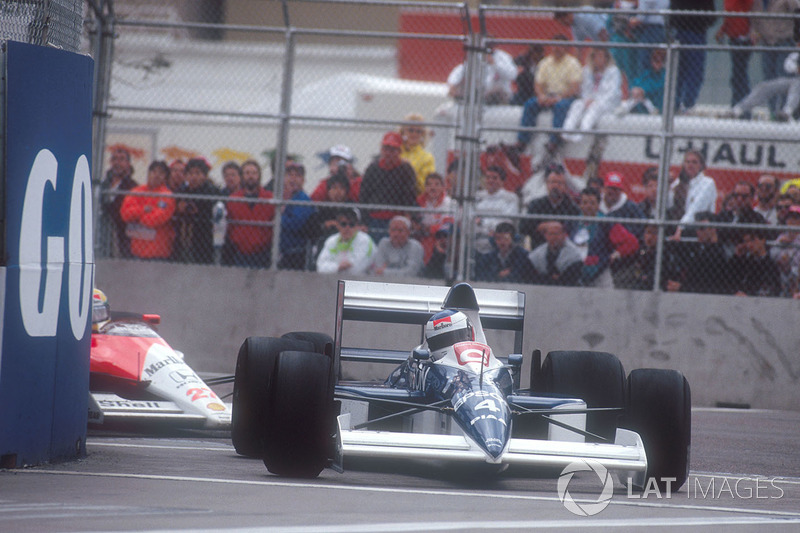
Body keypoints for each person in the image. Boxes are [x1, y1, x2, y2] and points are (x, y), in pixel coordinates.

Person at [515, 35, 582, 153]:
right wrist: (541, 96)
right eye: (555, 45)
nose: (556, 48)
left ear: (566, 48)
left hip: (565, 96)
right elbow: (538, 84)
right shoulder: (545, 63)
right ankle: (522, 140)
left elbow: (574, 88)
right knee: (530, 105)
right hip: (548, 95)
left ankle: (554, 142)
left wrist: (559, 97)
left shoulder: (573, 63)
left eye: (560, 46)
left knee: (560, 107)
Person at [358, 131, 418, 240]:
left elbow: (410, 196)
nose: (388, 153)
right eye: (386, 149)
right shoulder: (373, 168)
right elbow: (364, 195)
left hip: (397, 218)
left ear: (399, 151)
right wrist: (364, 221)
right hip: (375, 218)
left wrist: (408, 217)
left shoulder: (406, 169)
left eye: (392, 150)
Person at [561, 48, 623, 144]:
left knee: (594, 108)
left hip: (607, 102)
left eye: (600, 56)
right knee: (577, 104)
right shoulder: (587, 70)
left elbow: (612, 93)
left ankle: (582, 133)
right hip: (589, 100)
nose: (598, 59)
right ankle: (566, 131)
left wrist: (595, 100)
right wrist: (587, 100)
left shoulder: (613, 71)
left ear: (606, 58)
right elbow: (584, 89)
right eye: (595, 56)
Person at [750, 0, 800, 114]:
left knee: (783, 78)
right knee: (769, 78)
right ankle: (773, 112)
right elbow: (754, 21)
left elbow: (797, 13)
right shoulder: (758, 3)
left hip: (784, 42)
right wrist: (755, 33)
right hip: (767, 43)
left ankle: (784, 112)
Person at [119, 160, 176, 260]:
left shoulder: (167, 196)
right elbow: (125, 214)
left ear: (165, 178)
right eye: (154, 171)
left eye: (161, 173)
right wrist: (144, 210)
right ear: (148, 173)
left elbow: (153, 220)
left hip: (158, 253)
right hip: (136, 251)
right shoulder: (137, 191)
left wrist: (137, 217)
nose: (156, 175)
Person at [226, 159, 275, 268]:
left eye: (254, 173)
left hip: (263, 254)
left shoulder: (269, 198)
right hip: (240, 254)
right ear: (242, 176)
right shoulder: (233, 199)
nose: (250, 176)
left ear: (259, 175)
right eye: (247, 173)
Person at [669, 0, 717, 112]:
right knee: (687, 70)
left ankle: (680, 104)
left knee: (685, 70)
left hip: (688, 32)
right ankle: (684, 104)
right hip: (693, 33)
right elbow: (711, 16)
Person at [520, 164, 581, 250]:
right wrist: (541, 227)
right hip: (539, 246)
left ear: (565, 186)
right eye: (552, 182)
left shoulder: (571, 207)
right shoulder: (536, 204)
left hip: (564, 249)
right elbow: (523, 228)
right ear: (547, 184)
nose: (555, 186)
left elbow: (575, 230)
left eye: (559, 183)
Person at [671, 211, 731, 294]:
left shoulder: (718, 254)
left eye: (702, 228)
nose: (698, 231)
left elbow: (707, 285)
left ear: (713, 229)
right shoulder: (700, 250)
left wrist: (681, 288)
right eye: (697, 228)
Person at [729, 50, 800, 121]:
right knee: (766, 86)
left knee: (797, 85)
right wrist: (796, 67)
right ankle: (738, 110)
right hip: (795, 81)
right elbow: (789, 65)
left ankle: (787, 112)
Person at [174, 157, 220, 264]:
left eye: (198, 173)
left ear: (204, 176)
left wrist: (197, 210)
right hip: (183, 238)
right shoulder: (181, 191)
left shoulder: (211, 192)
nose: (193, 177)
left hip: (204, 239)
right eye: (190, 173)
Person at [668, 150, 718, 240]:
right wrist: (667, 186)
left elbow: (695, 209)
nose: (690, 165)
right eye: (687, 162)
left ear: (701, 165)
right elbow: (669, 204)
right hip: (676, 228)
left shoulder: (707, 183)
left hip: (696, 230)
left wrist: (680, 229)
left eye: (694, 162)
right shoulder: (679, 182)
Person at [99, 146, 138, 258]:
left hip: (122, 234)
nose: (117, 163)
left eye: (121, 159)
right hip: (103, 232)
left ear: (128, 163)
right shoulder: (104, 184)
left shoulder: (132, 186)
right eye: (114, 159)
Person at [473, 165, 520, 256]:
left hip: (497, 240)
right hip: (476, 238)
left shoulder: (510, 198)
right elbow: (471, 220)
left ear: (502, 181)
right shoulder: (477, 196)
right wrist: (487, 226)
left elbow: (506, 222)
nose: (490, 181)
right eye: (488, 178)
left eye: (495, 178)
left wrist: (482, 223)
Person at [305, 172, 352, 262]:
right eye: (334, 188)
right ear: (328, 191)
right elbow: (310, 228)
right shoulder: (323, 209)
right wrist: (324, 225)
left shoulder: (352, 208)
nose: (337, 192)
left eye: (341, 188)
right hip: (326, 247)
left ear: (346, 191)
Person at [715, 0, 755, 107]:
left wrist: (755, 31)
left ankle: (743, 106)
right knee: (737, 73)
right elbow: (729, 16)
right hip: (733, 37)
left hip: (744, 38)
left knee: (740, 73)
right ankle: (737, 104)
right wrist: (722, 31)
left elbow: (752, 9)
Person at [447, 45, 517, 105]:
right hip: (479, 91)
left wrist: (494, 63)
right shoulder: (478, 56)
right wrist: (453, 84)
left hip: (498, 92)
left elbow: (512, 75)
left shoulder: (503, 57)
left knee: (497, 91)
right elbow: (462, 69)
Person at [316, 208, 376, 275]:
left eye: (351, 224)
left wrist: (332, 268)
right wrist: (338, 267)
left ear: (357, 226)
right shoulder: (331, 241)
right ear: (338, 225)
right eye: (343, 224)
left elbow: (355, 270)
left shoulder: (365, 241)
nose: (347, 228)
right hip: (334, 281)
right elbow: (320, 267)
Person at [714, 180, 767, 257]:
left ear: (752, 198)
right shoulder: (723, 215)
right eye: (736, 195)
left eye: (744, 197)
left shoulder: (757, 218)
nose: (739, 199)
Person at [278, 162, 314, 270]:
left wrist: (279, 216)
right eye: (290, 175)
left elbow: (295, 224)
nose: (293, 179)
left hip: (296, 253)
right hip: (283, 251)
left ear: (303, 180)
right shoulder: (286, 198)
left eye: (297, 176)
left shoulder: (303, 199)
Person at [727, 226, 781, 296]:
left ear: (763, 240)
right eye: (746, 241)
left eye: (752, 240)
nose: (749, 244)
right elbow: (729, 279)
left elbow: (773, 289)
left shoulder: (771, 264)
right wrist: (737, 256)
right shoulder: (745, 262)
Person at [527, 221, 584, 286]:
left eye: (556, 234)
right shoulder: (538, 252)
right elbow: (531, 275)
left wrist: (547, 277)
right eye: (550, 234)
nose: (553, 237)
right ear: (545, 236)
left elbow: (570, 278)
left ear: (564, 235)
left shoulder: (574, 253)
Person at [416, 172, 455, 262]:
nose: (433, 188)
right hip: (422, 236)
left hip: (441, 238)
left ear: (443, 187)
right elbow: (415, 223)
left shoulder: (449, 203)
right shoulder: (419, 202)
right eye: (429, 184)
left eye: (437, 184)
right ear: (425, 187)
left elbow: (448, 224)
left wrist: (430, 229)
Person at [619, 48, 666, 115]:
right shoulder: (648, 72)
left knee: (643, 97)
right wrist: (635, 89)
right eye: (654, 60)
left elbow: (659, 87)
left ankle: (654, 111)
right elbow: (637, 81)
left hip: (656, 102)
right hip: (641, 99)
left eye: (659, 61)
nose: (656, 64)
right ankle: (624, 109)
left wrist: (644, 90)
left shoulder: (664, 75)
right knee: (638, 97)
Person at [599, 172, 647, 238]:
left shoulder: (631, 208)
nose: (612, 192)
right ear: (604, 188)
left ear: (621, 190)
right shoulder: (596, 204)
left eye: (616, 189)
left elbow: (642, 227)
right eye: (610, 188)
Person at [399, 113, 436, 194]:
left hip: (414, 197)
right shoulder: (396, 152)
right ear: (403, 131)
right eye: (411, 130)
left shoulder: (427, 157)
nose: (414, 134)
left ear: (422, 134)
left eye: (418, 131)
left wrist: (410, 172)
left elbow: (426, 185)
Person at [630, 0, 669, 73]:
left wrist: (629, 22)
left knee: (645, 62)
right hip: (659, 29)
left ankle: (645, 82)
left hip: (650, 29)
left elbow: (641, 17)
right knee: (654, 61)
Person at [770, 205, 800, 296]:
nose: (793, 221)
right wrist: (781, 244)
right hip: (782, 275)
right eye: (790, 218)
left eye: (796, 218)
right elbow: (772, 254)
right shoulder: (781, 237)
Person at [217, 161, 242, 265]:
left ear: (240, 177)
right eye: (226, 175)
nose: (230, 178)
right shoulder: (220, 195)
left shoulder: (245, 195)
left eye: (233, 175)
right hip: (225, 238)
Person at [571, 187, 604, 260]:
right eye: (585, 202)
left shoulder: (605, 222)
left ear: (598, 205)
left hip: (597, 262)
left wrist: (615, 254)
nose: (588, 206)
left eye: (592, 203)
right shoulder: (573, 221)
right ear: (580, 204)